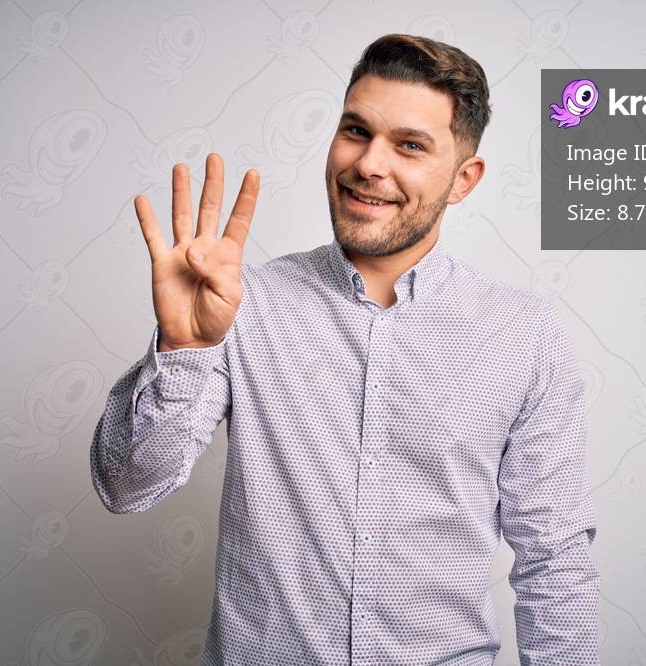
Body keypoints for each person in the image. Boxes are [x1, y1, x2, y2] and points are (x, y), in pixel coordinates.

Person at [91, 33, 600, 666]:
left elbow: (554, 560)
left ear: (463, 179)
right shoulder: (245, 305)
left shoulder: (523, 336)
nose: (368, 165)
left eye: (410, 145)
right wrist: (185, 346)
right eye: (356, 131)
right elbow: (126, 484)